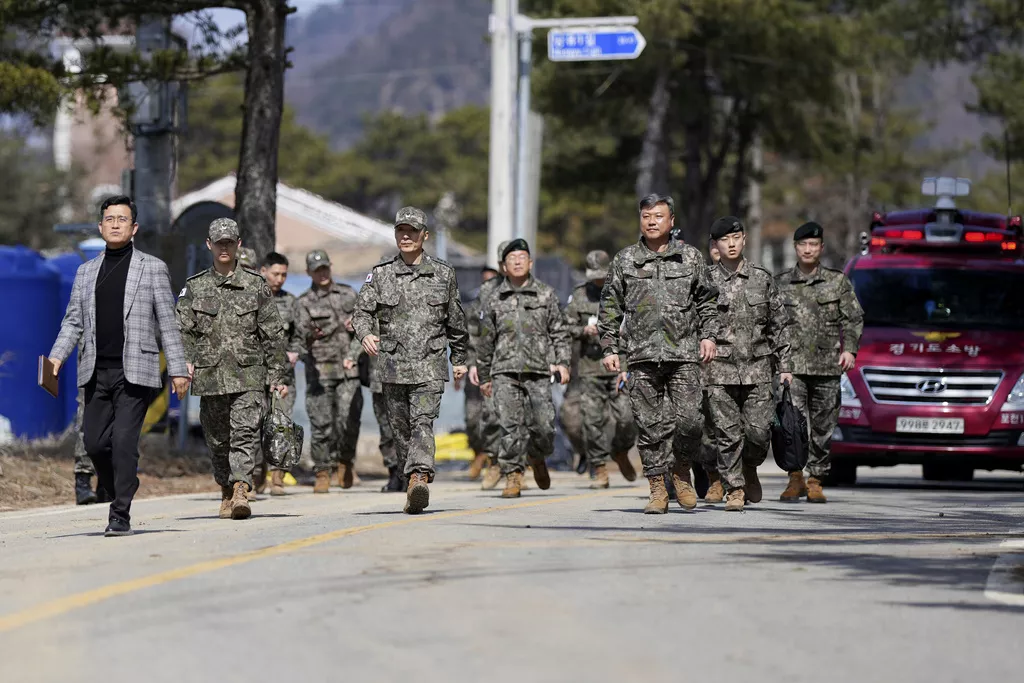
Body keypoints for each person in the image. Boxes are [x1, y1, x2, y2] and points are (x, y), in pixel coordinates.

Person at [48, 195, 189, 537]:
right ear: (100, 227)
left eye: (121, 219)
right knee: (95, 444)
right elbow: (73, 322)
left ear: (134, 227)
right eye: (109, 219)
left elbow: (167, 323)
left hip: (136, 371)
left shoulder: (152, 268)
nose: (114, 224)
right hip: (96, 371)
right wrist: (56, 356)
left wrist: (179, 368)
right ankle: (122, 483)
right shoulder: (85, 273)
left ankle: (120, 513)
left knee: (124, 442)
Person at [599, 193, 719, 514]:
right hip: (640, 356)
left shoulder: (691, 258)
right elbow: (610, 305)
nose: (652, 222)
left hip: (683, 355)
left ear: (672, 222)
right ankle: (656, 488)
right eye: (646, 216)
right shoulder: (625, 260)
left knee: (691, 422)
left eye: (658, 216)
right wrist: (610, 346)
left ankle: (681, 470)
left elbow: (708, 301)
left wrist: (708, 336)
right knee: (649, 425)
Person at [353, 206, 469, 514]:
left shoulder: (443, 273)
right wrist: (364, 334)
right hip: (391, 366)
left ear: (424, 236)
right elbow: (361, 312)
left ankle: (419, 475)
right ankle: (411, 478)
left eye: (412, 231)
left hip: (429, 364)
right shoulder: (380, 274)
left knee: (422, 422)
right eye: (400, 231)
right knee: (400, 429)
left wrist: (459, 359)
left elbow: (456, 321)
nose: (406, 236)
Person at [176, 218, 288, 520]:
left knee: (245, 433)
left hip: (248, 375)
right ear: (209, 245)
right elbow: (182, 331)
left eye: (230, 242)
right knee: (217, 440)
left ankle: (241, 488)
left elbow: (273, 333)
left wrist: (279, 375)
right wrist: (184, 361)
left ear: (238, 245)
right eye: (219, 242)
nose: (224, 247)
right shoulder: (194, 287)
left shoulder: (256, 285)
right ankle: (226, 487)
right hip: (210, 378)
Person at [704, 216, 793, 511]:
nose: (731, 243)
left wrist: (786, 366)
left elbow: (779, 325)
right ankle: (735, 489)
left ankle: (750, 467)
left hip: (758, 368)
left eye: (736, 237)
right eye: (724, 239)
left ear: (744, 240)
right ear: (715, 244)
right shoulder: (705, 281)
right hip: (718, 371)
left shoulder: (762, 278)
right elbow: (694, 325)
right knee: (727, 434)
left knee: (758, 432)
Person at [774, 221, 864, 503]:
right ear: (796, 248)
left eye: (814, 245)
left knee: (824, 426)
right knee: (793, 425)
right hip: (793, 368)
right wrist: (779, 363)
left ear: (821, 248)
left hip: (827, 366)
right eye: (803, 245)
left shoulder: (837, 281)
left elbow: (853, 317)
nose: (808, 249)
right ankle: (795, 477)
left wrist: (849, 349)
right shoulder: (781, 283)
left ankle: (815, 478)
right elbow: (772, 324)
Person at [477, 238, 571, 498]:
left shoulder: (546, 294)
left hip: (538, 371)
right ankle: (513, 475)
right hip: (504, 371)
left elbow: (559, 333)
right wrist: (484, 376)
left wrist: (562, 363)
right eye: (511, 259)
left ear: (530, 263)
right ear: (504, 267)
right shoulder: (494, 299)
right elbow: (486, 340)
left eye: (522, 257)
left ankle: (537, 457)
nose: (517, 262)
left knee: (544, 426)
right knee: (510, 426)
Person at [564, 250, 637, 488]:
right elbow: (566, 327)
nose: (598, 280)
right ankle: (599, 466)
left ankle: (620, 450)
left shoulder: (623, 291)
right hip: (590, 366)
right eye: (594, 276)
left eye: (601, 276)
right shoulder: (579, 295)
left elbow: (636, 325)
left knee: (627, 417)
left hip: (619, 364)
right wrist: (583, 331)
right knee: (591, 420)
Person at [293, 250, 364, 494]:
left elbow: (365, 329)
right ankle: (322, 470)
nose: (322, 273)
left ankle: (345, 461)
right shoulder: (302, 303)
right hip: (319, 373)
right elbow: (299, 339)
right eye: (316, 270)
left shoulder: (348, 294)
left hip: (348, 371)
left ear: (330, 266)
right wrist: (302, 351)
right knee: (321, 424)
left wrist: (354, 354)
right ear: (308, 273)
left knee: (348, 421)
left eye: (325, 268)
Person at [256, 251, 299, 496]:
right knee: (254, 425)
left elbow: (300, 335)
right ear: (264, 271)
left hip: (282, 376)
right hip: (254, 373)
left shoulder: (291, 302)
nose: (280, 279)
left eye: (284, 274)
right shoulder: (252, 298)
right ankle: (254, 475)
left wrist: (295, 351)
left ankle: (278, 477)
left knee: (282, 425)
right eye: (276, 274)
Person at [470, 240, 510, 491]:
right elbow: (474, 329)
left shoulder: (538, 291)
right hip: (494, 364)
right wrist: (472, 362)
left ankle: (520, 466)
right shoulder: (487, 292)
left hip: (528, 365)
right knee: (492, 415)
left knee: (526, 419)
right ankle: (495, 462)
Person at [461, 265, 501, 481]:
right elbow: (466, 342)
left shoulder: (506, 306)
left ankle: (496, 461)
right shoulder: (473, 310)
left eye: (492, 281)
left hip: (499, 371)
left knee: (494, 416)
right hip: (475, 371)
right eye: (484, 281)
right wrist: (465, 366)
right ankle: (479, 453)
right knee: (472, 418)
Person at [367, 319, 402, 492]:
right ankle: (394, 473)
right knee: (386, 432)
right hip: (378, 380)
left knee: (406, 428)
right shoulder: (369, 313)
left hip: (403, 379)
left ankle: (410, 474)